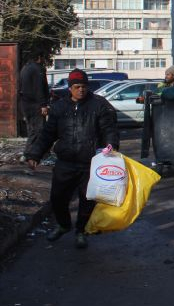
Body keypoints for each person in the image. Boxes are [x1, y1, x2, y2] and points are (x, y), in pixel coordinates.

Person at [25, 69, 119, 249]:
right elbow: (48, 134)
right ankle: (64, 224)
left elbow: (109, 129)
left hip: (90, 163)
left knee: (87, 200)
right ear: (70, 88)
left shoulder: (99, 105)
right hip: (65, 162)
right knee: (57, 197)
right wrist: (34, 154)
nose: (81, 90)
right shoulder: (59, 107)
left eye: (84, 86)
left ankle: (81, 231)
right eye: (77, 87)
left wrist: (111, 146)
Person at [18, 51, 50, 157]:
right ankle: (30, 153)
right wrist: (43, 104)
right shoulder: (38, 69)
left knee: (32, 129)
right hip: (35, 105)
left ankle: (35, 153)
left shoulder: (25, 68)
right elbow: (39, 88)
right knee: (38, 130)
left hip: (25, 104)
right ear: (39, 57)